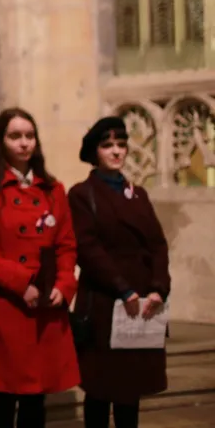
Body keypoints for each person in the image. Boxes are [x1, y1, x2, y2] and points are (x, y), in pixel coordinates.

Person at [0, 108, 80, 428]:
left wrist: (64, 284)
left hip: (46, 305)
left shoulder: (53, 189)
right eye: (15, 136)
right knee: (4, 395)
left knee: (36, 395)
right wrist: (22, 284)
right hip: (5, 304)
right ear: (0, 142)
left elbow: (67, 244)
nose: (24, 143)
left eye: (30, 136)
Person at [69, 116, 170, 428]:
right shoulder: (82, 194)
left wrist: (158, 287)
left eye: (122, 145)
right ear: (94, 151)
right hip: (104, 300)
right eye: (107, 145)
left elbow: (157, 245)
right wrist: (123, 288)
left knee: (130, 390)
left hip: (142, 301)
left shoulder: (138, 193)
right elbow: (88, 248)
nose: (116, 152)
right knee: (100, 388)